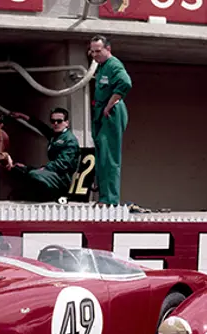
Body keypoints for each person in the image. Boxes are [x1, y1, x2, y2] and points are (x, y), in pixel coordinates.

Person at [89, 35, 132, 206]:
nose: (94, 54)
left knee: (109, 156)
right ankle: (103, 196)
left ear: (108, 49)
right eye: (92, 51)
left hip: (111, 112)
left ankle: (110, 199)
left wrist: (110, 104)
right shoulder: (101, 67)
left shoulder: (114, 65)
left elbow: (125, 83)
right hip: (101, 112)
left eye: (98, 51)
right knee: (101, 155)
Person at [8, 107, 80, 201]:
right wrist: (23, 116)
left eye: (59, 121)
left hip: (61, 179)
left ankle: (46, 196)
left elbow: (63, 164)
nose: (55, 124)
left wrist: (43, 168)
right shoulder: (55, 135)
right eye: (53, 121)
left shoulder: (70, 140)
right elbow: (41, 126)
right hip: (51, 172)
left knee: (34, 174)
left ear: (67, 123)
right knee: (18, 169)